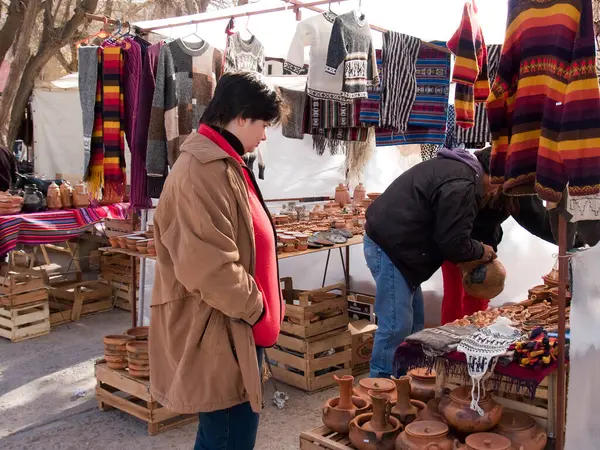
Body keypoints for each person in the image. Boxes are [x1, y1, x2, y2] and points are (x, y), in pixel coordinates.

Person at [149, 72, 286, 450]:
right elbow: (209, 268)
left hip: (235, 328)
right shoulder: (199, 172)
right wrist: (258, 309)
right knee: (228, 439)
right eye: (263, 124)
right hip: (220, 333)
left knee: (224, 436)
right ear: (241, 117)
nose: (264, 135)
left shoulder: (226, 161)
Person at [363, 147, 497, 378]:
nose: (494, 191)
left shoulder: (459, 171)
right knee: (396, 326)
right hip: (391, 246)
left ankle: (405, 381)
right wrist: (480, 250)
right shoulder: (462, 183)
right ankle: (380, 390)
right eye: (497, 185)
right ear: (492, 176)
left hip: (400, 247)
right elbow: (452, 242)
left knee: (415, 325)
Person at [441, 146, 557, 324]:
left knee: (478, 295)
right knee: (455, 296)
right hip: (455, 243)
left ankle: (474, 341)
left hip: (483, 247)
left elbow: (537, 219)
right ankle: (448, 342)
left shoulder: (515, 181)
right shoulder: (469, 177)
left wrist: (573, 239)